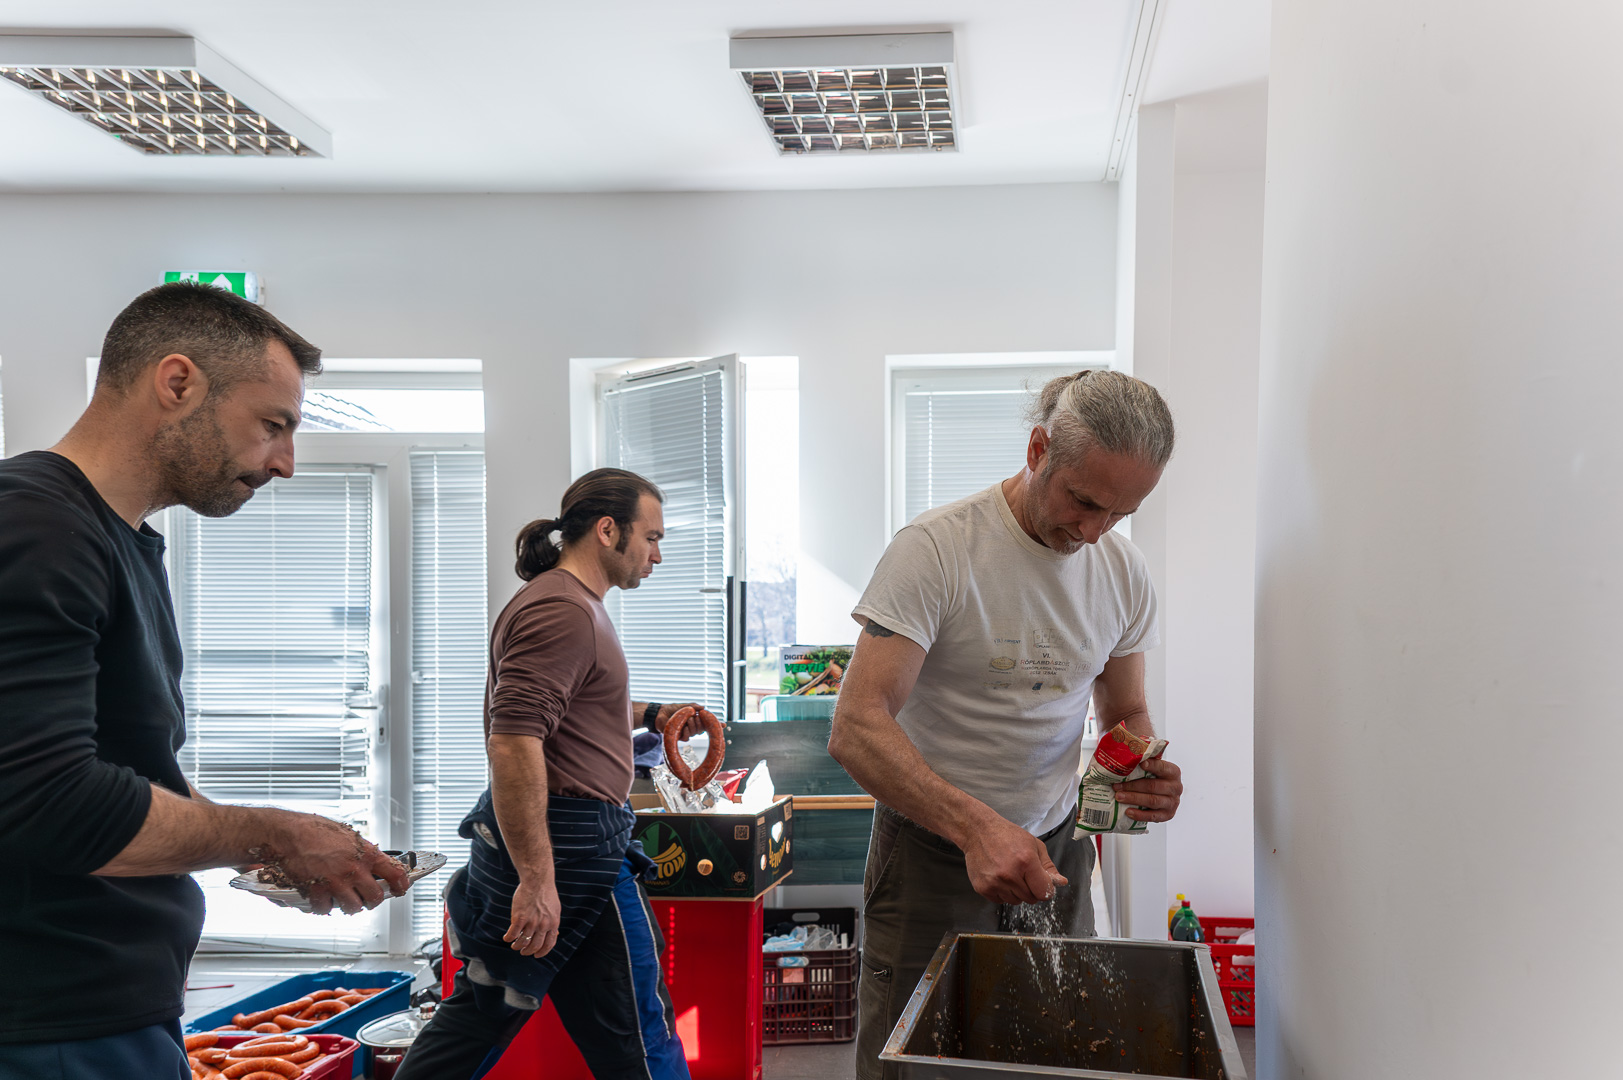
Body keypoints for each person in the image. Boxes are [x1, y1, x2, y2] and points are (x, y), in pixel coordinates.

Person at [0, 283, 411, 1078]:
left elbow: (122, 773)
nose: (285, 463)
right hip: (51, 1022)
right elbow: (54, 803)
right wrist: (275, 833)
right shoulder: (38, 526)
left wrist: (264, 855)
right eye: (273, 425)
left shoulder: (120, 541)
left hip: (109, 1006)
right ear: (178, 382)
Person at [828, 370, 1186, 1079]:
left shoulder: (1122, 571)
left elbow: (1123, 711)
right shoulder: (936, 550)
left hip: (1056, 849)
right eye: (1083, 501)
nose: (1093, 532)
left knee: (1051, 1049)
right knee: (914, 1060)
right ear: (1037, 449)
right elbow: (857, 726)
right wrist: (975, 829)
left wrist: (1139, 766)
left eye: (1121, 514)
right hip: (930, 847)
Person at [398, 469, 696, 1080]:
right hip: (574, 852)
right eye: (651, 538)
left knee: (484, 1011)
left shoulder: (567, 601)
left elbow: (573, 704)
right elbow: (513, 741)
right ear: (608, 530)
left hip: (568, 844)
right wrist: (537, 880)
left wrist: (653, 715)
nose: (657, 555)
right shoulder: (564, 611)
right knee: (639, 1033)